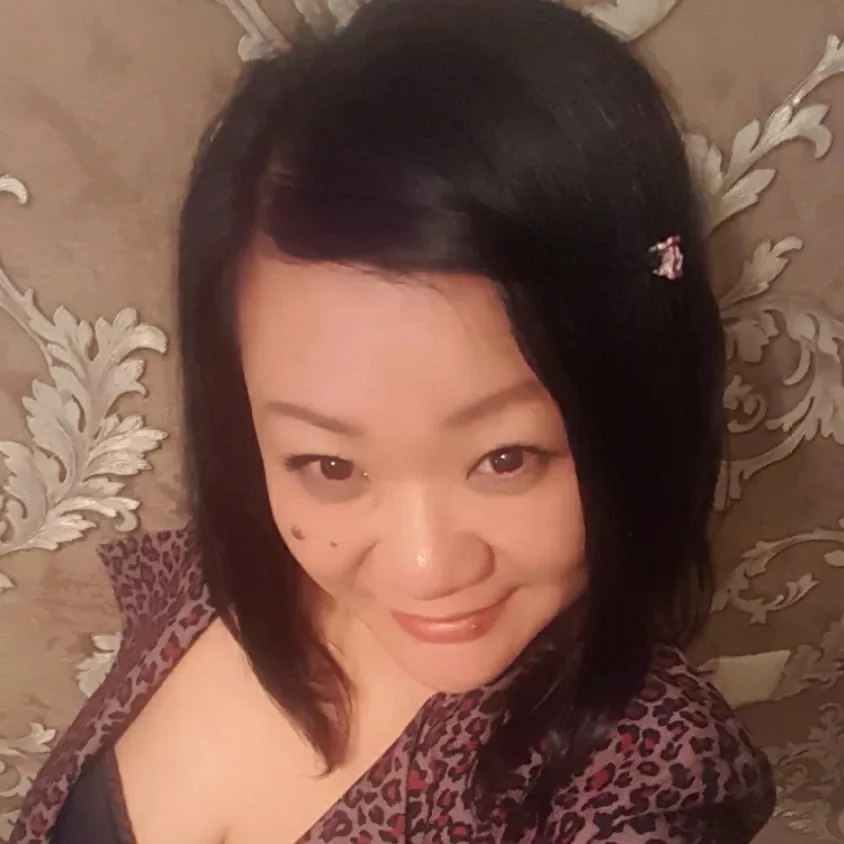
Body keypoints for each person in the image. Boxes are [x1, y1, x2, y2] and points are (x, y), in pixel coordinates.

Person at [12, 0, 776, 841]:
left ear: (633, 413)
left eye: (507, 458)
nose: (424, 567)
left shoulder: (649, 777)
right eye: (331, 465)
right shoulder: (214, 572)